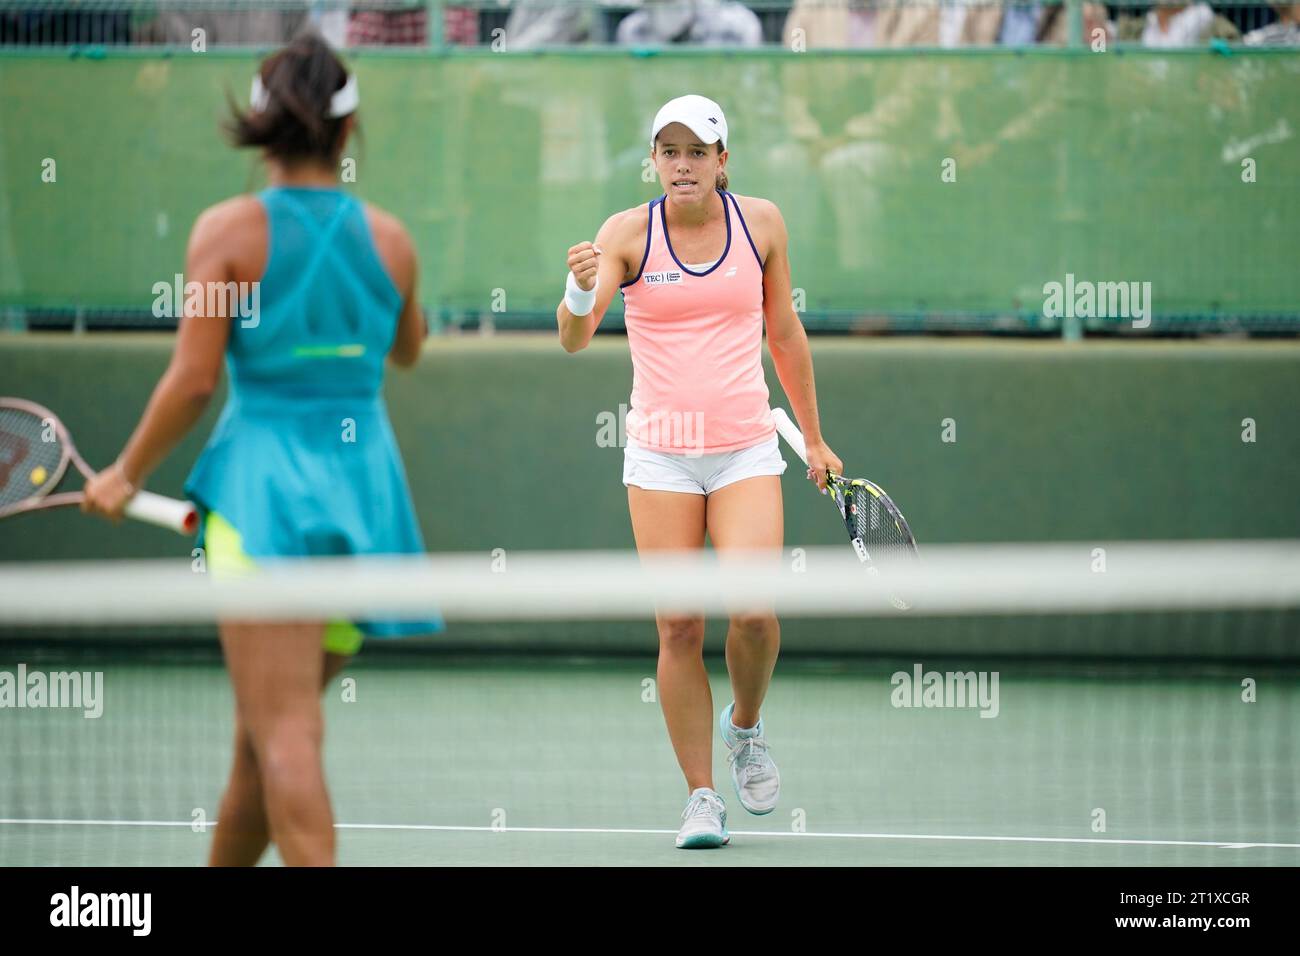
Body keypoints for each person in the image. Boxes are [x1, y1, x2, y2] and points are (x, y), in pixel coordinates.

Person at [82, 32, 438, 866]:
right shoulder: (392, 239)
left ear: (263, 124)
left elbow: (195, 380)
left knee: (283, 732)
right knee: (261, 738)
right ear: (347, 134)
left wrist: (123, 475)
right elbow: (409, 347)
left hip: (264, 500)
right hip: (365, 505)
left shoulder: (226, 233)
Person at [557, 94, 842, 849]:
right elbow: (575, 339)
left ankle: (744, 727)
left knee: (753, 614)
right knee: (679, 625)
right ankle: (701, 797)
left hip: (747, 445)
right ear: (654, 161)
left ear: (723, 160)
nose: (681, 165)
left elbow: (783, 332)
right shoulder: (625, 233)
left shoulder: (763, 224)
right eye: (668, 151)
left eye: (696, 151)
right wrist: (580, 287)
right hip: (659, 454)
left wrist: (813, 438)